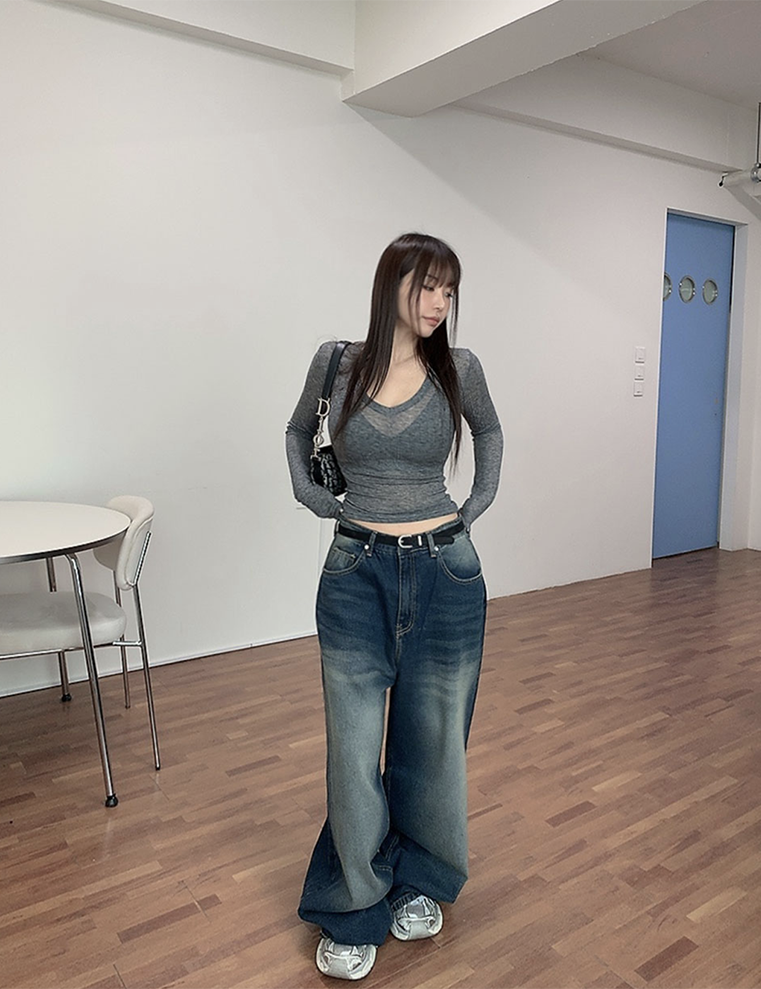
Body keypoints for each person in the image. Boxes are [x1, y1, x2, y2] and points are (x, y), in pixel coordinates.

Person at [285, 232, 503, 980]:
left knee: (433, 743)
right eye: (428, 285)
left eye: (450, 290)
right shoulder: (337, 363)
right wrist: (312, 494)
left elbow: (490, 430)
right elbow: (296, 430)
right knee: (352, 753)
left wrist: (477, 501)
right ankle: (353, 904)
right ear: (392, 285)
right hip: (356, 570)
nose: (440, 302)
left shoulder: (460, 369)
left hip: (447, 571)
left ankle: (421, 878)